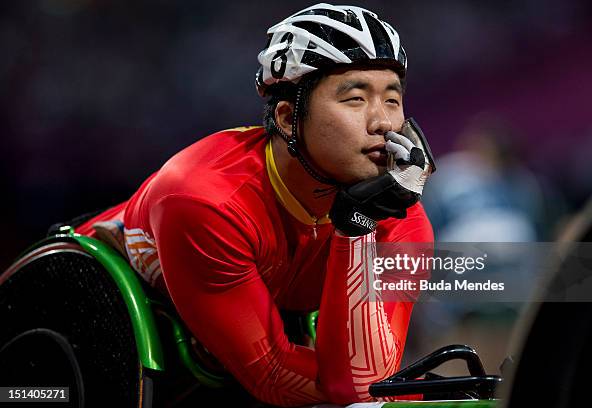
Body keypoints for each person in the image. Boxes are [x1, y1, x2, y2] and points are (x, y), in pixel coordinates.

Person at [75, 3, 435, 406]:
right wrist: (413, 395)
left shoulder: (401, 220)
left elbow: (361, 385)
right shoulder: (203, 201)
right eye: (355, 99)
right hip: (83, 315)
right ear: (286, 118)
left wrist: (358, 225)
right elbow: (279, 378)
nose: (383, 123)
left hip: (251, 325)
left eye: (391, 99)